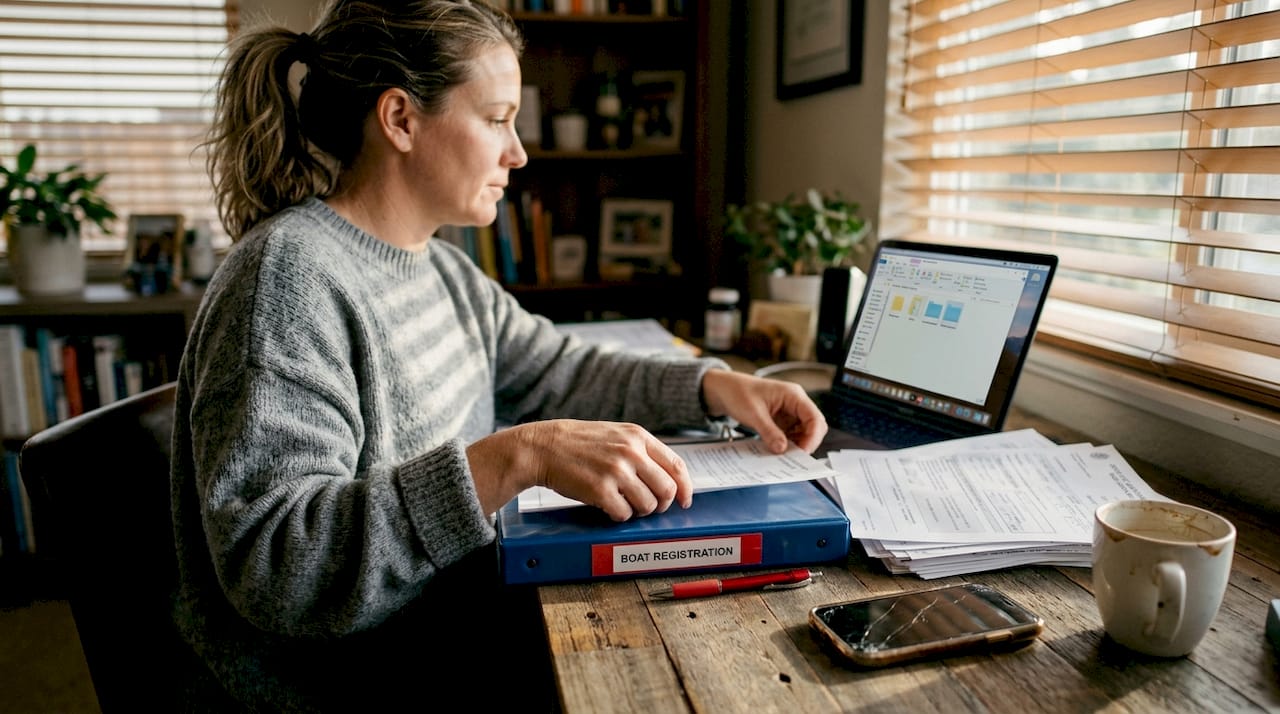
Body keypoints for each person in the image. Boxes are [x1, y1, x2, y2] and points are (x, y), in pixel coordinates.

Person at [172, 0, 829, 709]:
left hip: (456, 626)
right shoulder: (288, 279)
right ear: (400, 119)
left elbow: (560, 368)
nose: (518, 151)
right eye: (495, 119)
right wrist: (511, 459)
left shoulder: (440, 268)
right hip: (353, 685)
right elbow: (278, 570)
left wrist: (717, 387)